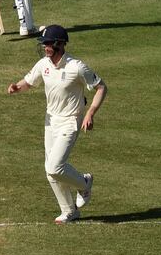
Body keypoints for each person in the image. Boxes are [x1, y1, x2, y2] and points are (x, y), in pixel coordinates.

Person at [7, 25, 108, 224]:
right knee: (50, 170)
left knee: (55, 166)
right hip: (50, 121)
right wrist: (16, 87)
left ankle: (84, 183)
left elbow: (101, 87)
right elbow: (29, 82)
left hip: (70, 121)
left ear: (59, 44)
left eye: (47, 44)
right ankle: (69, 210)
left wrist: (90, 113)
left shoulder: (76, 67)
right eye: (43, 44)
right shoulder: (43, 64)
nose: (45, 47)